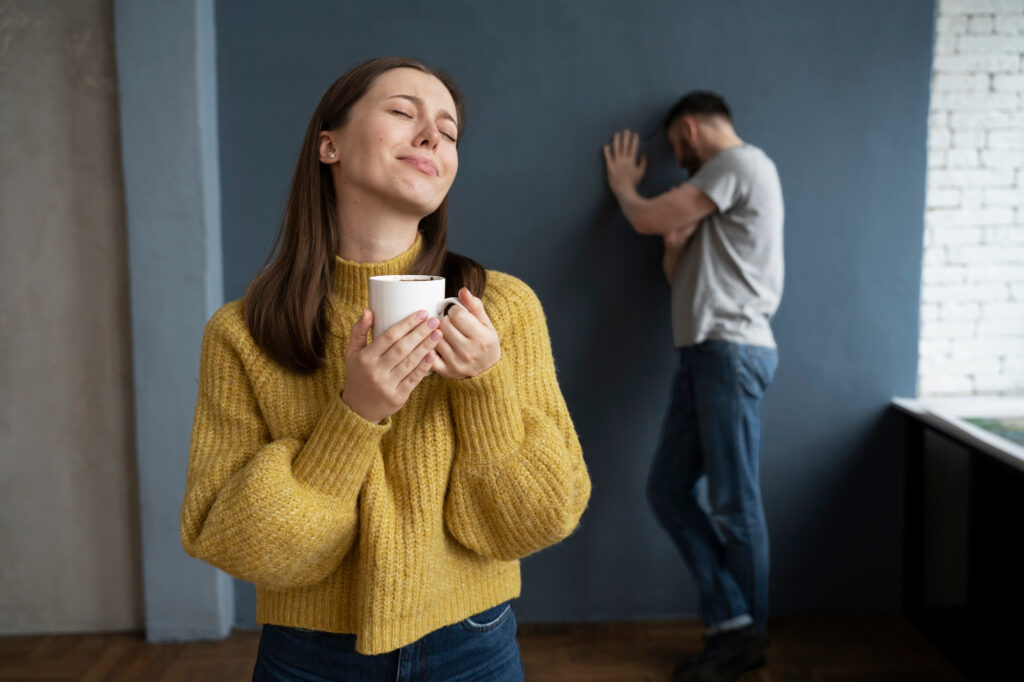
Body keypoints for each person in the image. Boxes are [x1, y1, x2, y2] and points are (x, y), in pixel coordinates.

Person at [180, 56, 591, 681]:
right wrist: (353, 417)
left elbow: (540, 517)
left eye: (449, 132)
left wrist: (485, 390)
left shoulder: (504, 309)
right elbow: (230, 538)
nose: (432, 136)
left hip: (472, 646)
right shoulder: (242, 334)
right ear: (330, 144)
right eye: (403, 113)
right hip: (307, 655)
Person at [603, 91, 783, 682]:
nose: (677, 159)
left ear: (689, 128)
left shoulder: (739, 163)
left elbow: (646, 215)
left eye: (677, 147)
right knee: (667, 490)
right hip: (705, 353)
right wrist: (676, 240)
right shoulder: (716, 197)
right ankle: (735, 623)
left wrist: (629, 187)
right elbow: (676, 272)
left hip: (728, 351)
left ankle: (742, 639)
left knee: (735, 503)